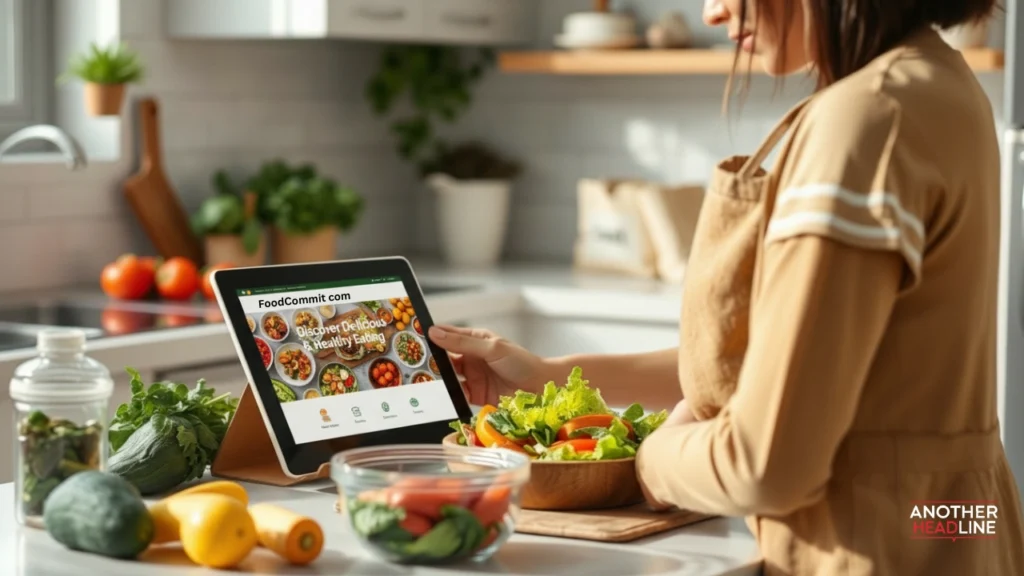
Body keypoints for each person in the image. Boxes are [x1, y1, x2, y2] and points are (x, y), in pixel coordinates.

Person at [429, 0, 1024, 573]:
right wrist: (555, 375)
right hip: (949, 525)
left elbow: (766, 464)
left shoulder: (865, 122)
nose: (712, 12)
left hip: (870, 549)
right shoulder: (939, 83)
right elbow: (793, 364)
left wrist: (649, 460)